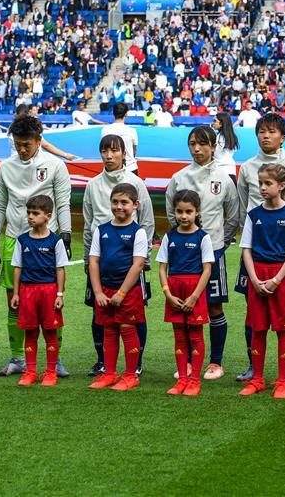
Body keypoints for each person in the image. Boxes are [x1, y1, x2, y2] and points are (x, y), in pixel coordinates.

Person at [0, 115, 72, 378]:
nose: (21, 149)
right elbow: (0, 204)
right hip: (14, 238)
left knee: (52, 304)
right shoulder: (5, 167)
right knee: (15, 303)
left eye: (26, 144)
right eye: (17, 144)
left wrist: (66, 236)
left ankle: (53, 361)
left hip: (47, 241)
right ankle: (17, 358)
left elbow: (63, 203)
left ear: (39, 140)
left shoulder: (55, 166)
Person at [234, 113, 285, 384]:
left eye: (272, 131)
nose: (266, 136)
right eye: (261, 131)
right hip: (256, 251)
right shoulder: (248, 167)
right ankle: (255, 367)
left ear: (283, 137)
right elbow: (244, 207)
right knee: (253, 310)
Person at [165, 126, 237, 380]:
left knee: (214, 307)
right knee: (183, 308)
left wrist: (220, 243)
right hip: (183, 257)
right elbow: (171, 214)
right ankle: (185, 362)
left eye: (203, 144)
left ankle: (215, 363)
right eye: (193, 144)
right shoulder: (179, 178)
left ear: (213, 147)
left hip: (214, 252)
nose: (197, 149)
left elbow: (233, 215)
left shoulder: (223, 178)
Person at [83, 135, 154, 377]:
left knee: (135, 313)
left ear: (124, 154)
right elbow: (88, 222)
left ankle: (137, 362)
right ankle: (103, 361)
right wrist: (87, 259)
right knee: (98, 309)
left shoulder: (136, 183)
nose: (109, 155)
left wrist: (144, 257)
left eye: (114, 151)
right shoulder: (92, 184)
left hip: (130, 259)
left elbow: (147, 221)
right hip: (100, 259)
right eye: (104, 150)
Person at [87, 183, 149, 391]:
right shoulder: (101, 230)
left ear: (135, 205)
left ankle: (131, 375)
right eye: (115, 202)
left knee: (127, 329)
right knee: (109, 330)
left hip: (128, 292)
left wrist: (122, 292)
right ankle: (110, 374)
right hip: (105, 290)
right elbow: (93, 261)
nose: (119, 206)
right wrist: (97, 292)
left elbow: (138, 264)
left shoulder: (138, 232)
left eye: (124, 202)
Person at [158, 190, 215, 396]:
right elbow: (162, 268)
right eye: (179, 211)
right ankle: (181, 379)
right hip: (174, 290)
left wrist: (194, 297)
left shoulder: (203, 237)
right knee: (179, 336)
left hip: (194, 291)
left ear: (197, 211)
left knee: (196, 335)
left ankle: (194, 381)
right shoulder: (169, 236)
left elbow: (207, 269)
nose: (183, 216)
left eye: (188, 211)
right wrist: (167, 294)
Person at [9, 195, 69, 387]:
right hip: (28, 291)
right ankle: (31, 372)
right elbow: (17, 267)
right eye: (28, 213)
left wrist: (60, 294)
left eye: (35, 213)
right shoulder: (22, 240)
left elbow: (60, 269)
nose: (30, 217)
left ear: (48, 216)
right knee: (31, 332)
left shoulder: (55, 241)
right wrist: (16, 293)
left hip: (49, 290)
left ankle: (51, 372)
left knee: (50, 332)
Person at [11, 105, 75, 160]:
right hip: (30, 161)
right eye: (34, 110)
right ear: (28, 112)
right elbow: (45, 145)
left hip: (15, 160)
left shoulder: (12, 128)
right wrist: (65, 155)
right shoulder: (29, 130)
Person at [101, 102, 139, 175]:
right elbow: (134, 151)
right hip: (130, 168)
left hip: (111, 168)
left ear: (113, 113)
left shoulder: (105, 130)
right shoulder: (132, 131)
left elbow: (104, 150)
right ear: (126, 114)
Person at [212, 113, 239, 183]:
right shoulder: (231, 136)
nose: (212, 123)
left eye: (215, 121)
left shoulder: (220, 137)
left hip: (220, 172)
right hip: (231, 171)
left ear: (221, 123)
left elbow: (216, 155)